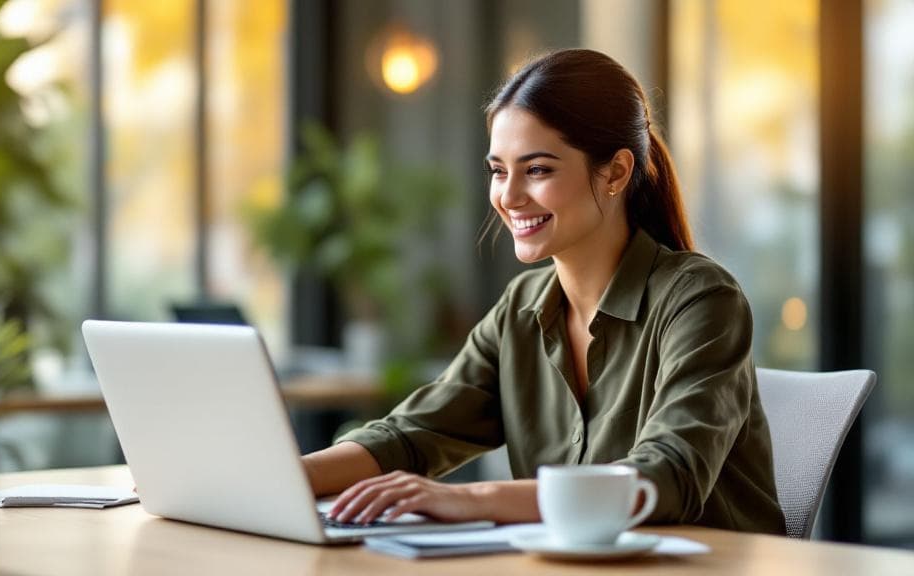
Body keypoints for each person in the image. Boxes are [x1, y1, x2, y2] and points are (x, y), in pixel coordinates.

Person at [301, 48, 787, 535]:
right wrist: (287, 477)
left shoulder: (701, 299)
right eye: (498, 170)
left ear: (616, 172)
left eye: (537, 170)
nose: (508, 197)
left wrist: (473, 499)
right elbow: (410, 436)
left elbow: (668, 475)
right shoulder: (521, 307)